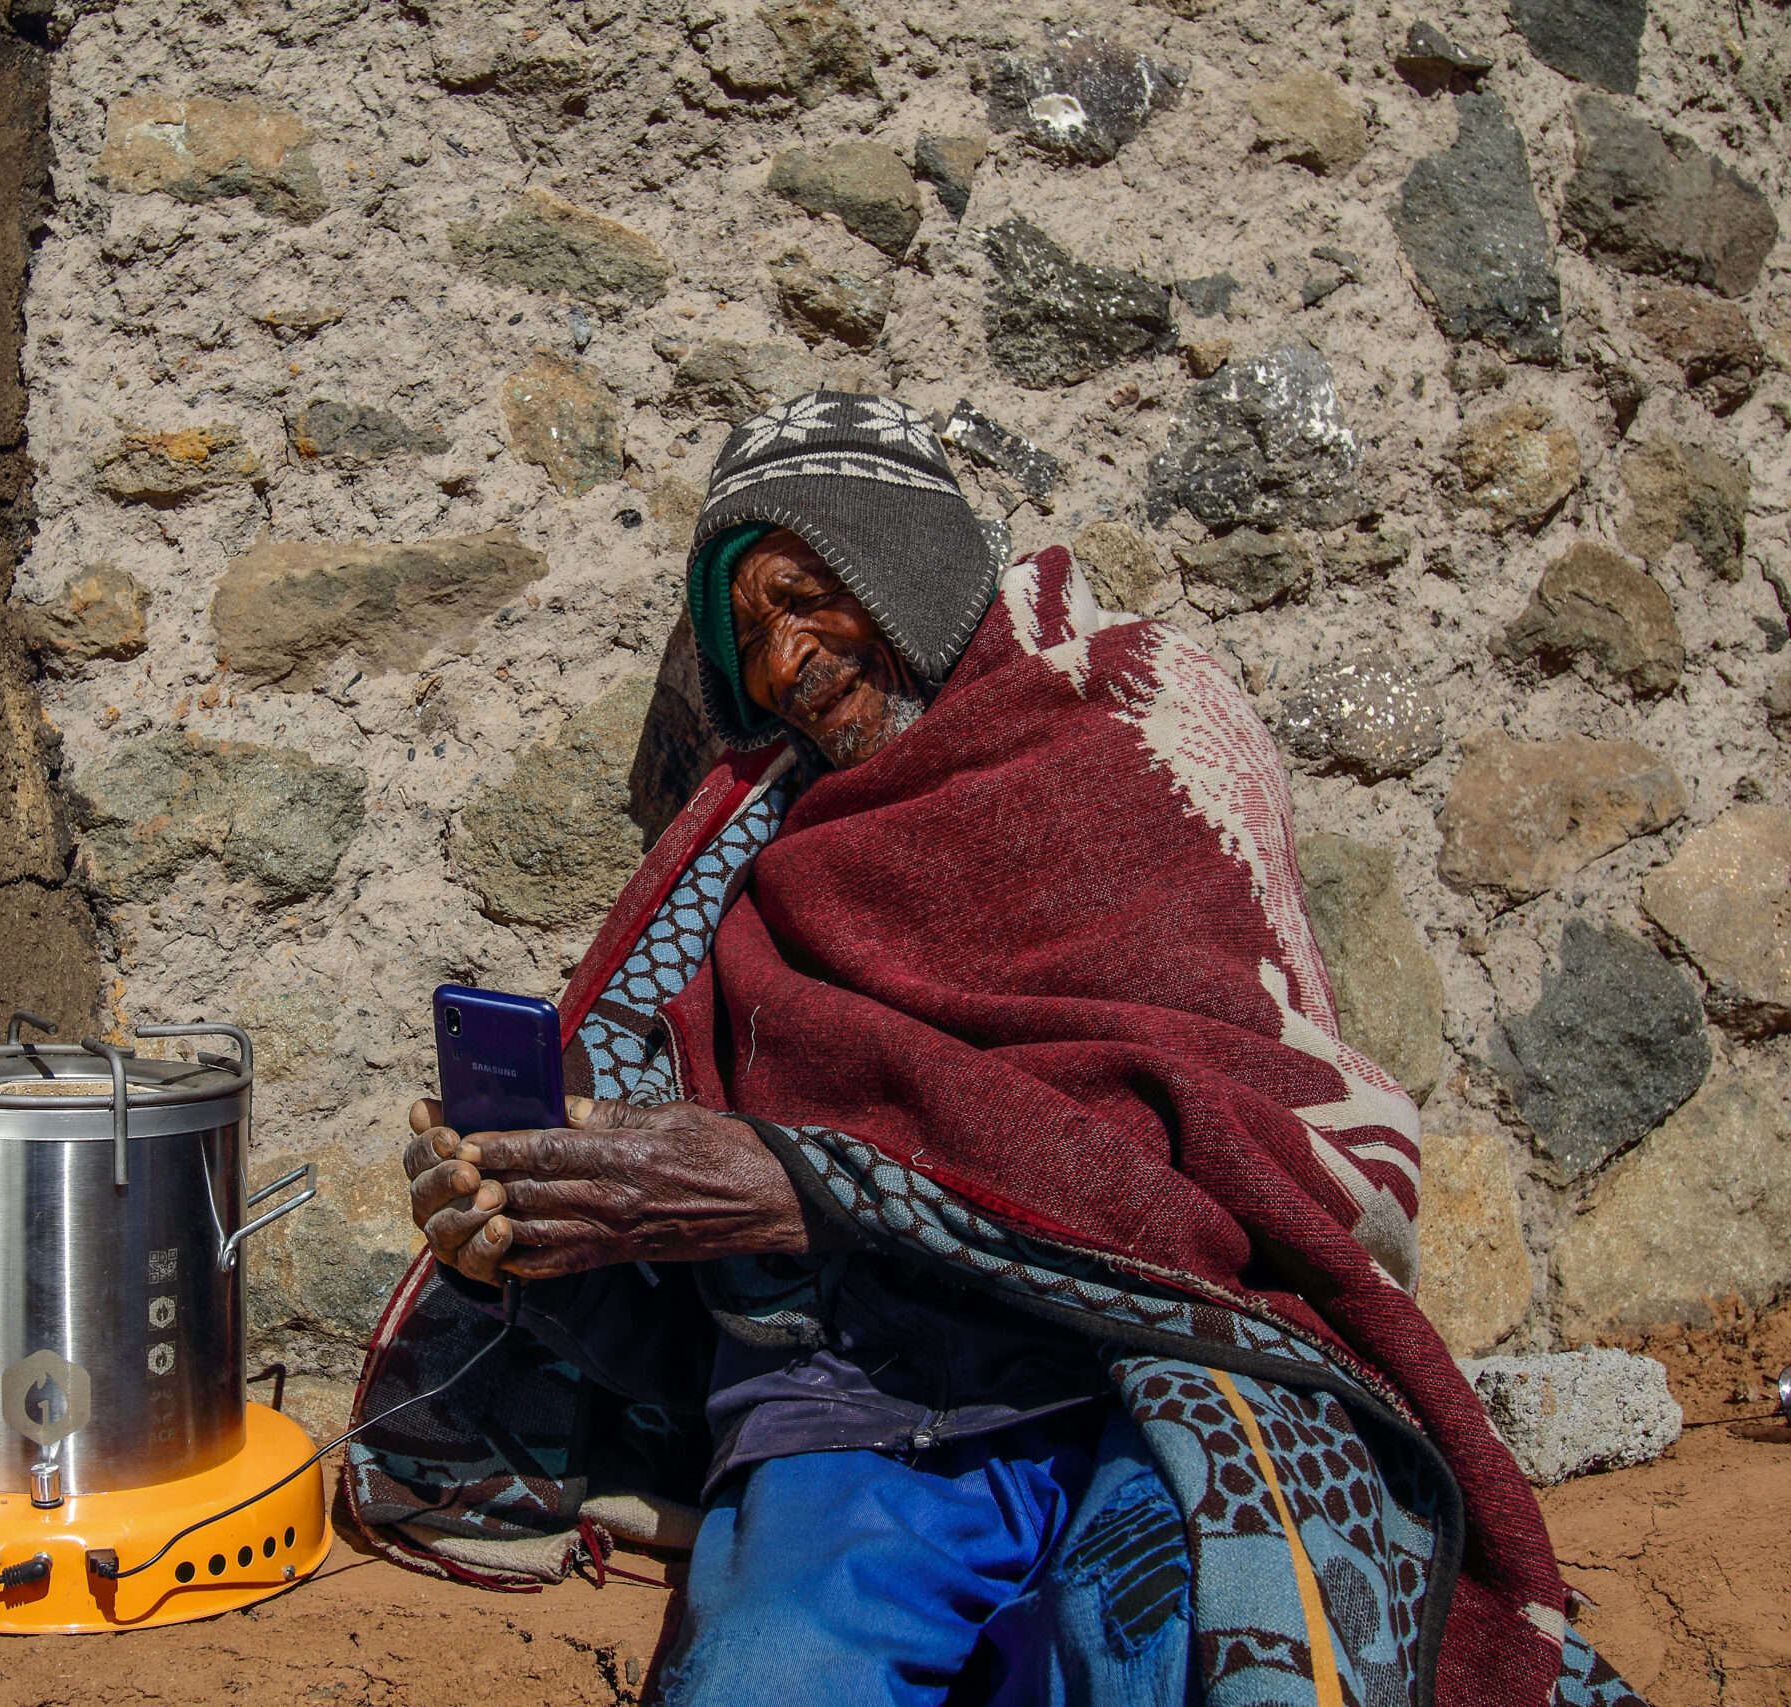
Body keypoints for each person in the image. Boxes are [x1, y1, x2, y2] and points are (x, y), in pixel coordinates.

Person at [339, 393, 1640, 1707]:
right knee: (768, 1680)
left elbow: (1233, 1145)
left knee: (1212, 1658)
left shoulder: (1131, 724)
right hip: (856, 1399)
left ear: (898, 556)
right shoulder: (757, 856)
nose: (788, 664)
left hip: (1167, 1364)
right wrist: (541, 1233)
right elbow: (694, 1262)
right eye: (751, 641)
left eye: (807, 597)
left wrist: (815, 1185)